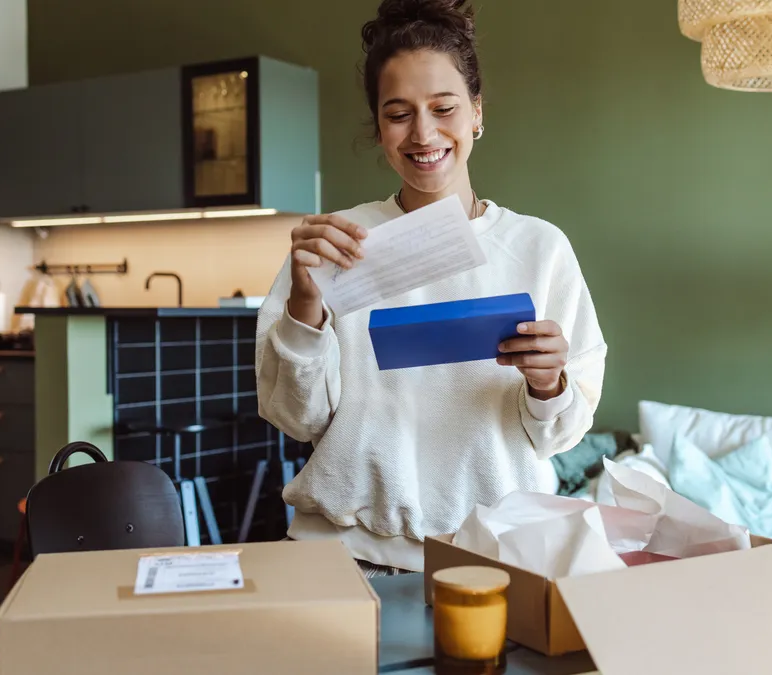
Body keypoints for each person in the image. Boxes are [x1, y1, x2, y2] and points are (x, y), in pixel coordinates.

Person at [256, 0, 607, 577]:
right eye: (398, 114)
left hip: (495, 560)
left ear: (475, 113)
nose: (423, 134)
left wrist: (550, 383)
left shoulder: (539, 249)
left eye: (443, 108)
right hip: (347, 557)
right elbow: (299, 419)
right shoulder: (334, 242)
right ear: (378, 124)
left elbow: (560, 437)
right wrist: (303, 306)